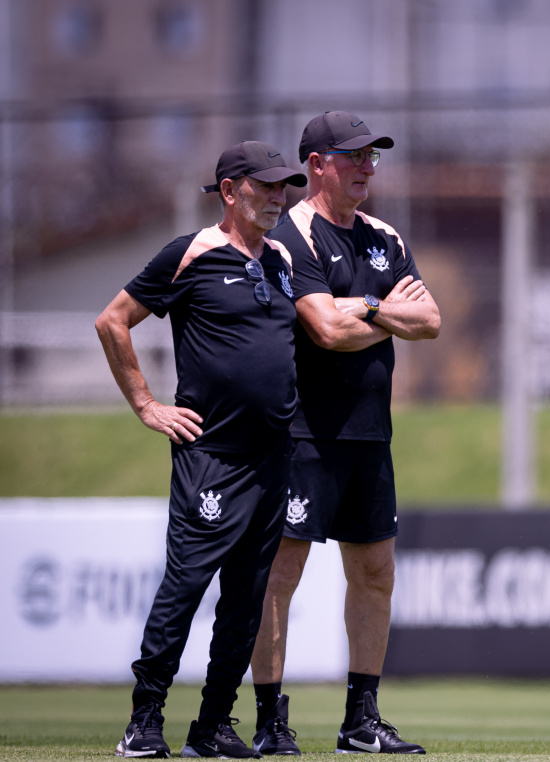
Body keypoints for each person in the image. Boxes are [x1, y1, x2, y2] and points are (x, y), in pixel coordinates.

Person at [96, 140, 307, 759]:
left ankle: (213, 725)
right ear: (229, 190)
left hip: (273, 458)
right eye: (266, 186)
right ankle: (144, 720)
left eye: (284, 187)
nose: (278, 197)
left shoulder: (281, 263)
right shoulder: (190, 253)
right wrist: (146, 404)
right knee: (185, 588)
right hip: (210, 456)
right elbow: (113, 320)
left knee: (246, 601)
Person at [249, 111, 440, 756]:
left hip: (369, 434)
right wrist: (390, 312)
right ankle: (270, 719)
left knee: (375, 572)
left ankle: (361, 720)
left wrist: (365, 307)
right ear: (317, 165)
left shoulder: (384, 236)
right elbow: (323, 333)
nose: (367, 166)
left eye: (373, 156)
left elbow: (432, 319)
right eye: (353, 155)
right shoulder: (293, 235)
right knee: (281, 575)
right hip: (303, 434)